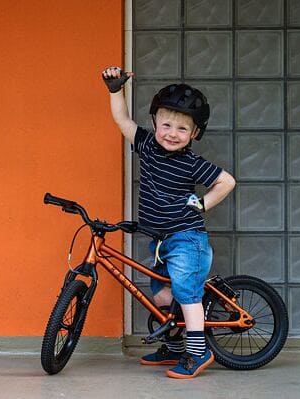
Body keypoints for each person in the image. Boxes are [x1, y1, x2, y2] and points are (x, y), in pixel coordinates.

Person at [102, 66, 236, 379]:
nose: (172, 133)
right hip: (161, 241)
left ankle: (197, 352)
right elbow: (122, 120)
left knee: (185, 294)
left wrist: (202, 204)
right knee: (163, 295)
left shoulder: (191, 163)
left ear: (195, 134)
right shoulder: (147, 146)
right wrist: (114, 90)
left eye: (182, 128)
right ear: (154, 124)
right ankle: (174, 348)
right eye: (166, 124)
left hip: (186, 238)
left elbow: (226, 182)